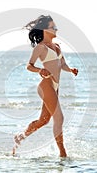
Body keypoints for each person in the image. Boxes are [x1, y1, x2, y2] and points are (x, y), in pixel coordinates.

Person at [13, 15, 78, 157]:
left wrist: (71, 69)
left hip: (55, 86)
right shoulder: (41, 48)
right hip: (46, 85)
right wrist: (39, 70)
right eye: (53, 27)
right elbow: (29, 66)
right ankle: (63, 154)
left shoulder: (57, 47)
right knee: (59, 118)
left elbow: (63, 64)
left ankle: (20, 136)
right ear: (44, 30)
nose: (56, 29)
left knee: (44, 120)